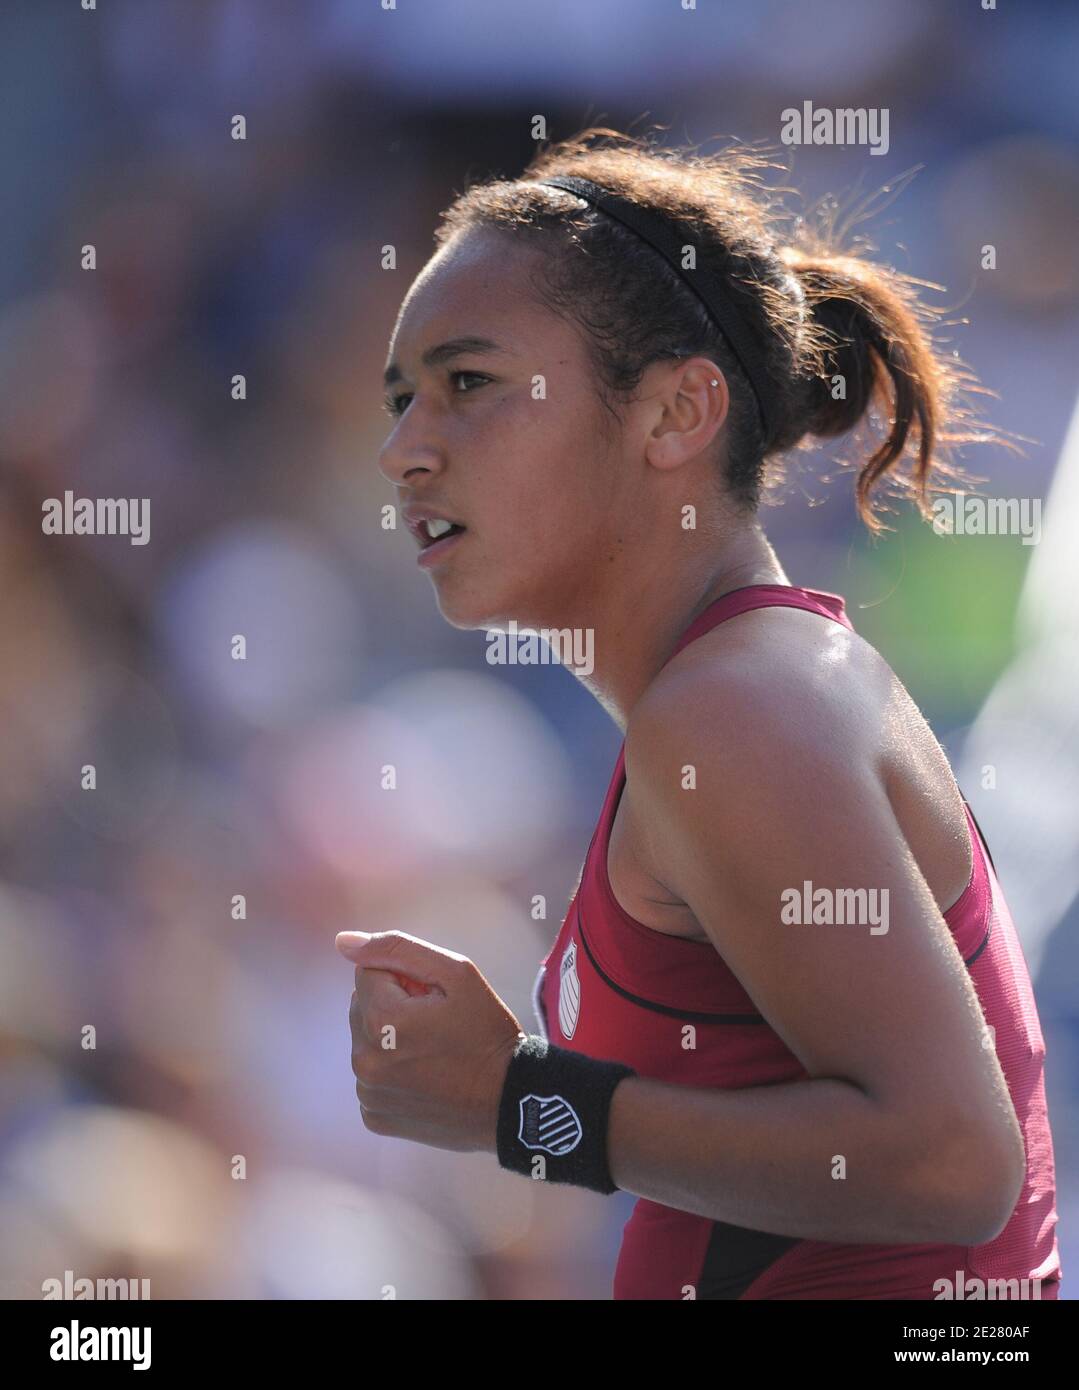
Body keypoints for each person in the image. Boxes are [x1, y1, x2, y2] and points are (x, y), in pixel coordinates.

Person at [336, 128, 1060, 1300]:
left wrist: (518, 1102)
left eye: (467, 384)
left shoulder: (735, 713)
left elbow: (949, 1161)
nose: (401, 449)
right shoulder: (732, 695)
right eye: (401, 399)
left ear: (674, 414)